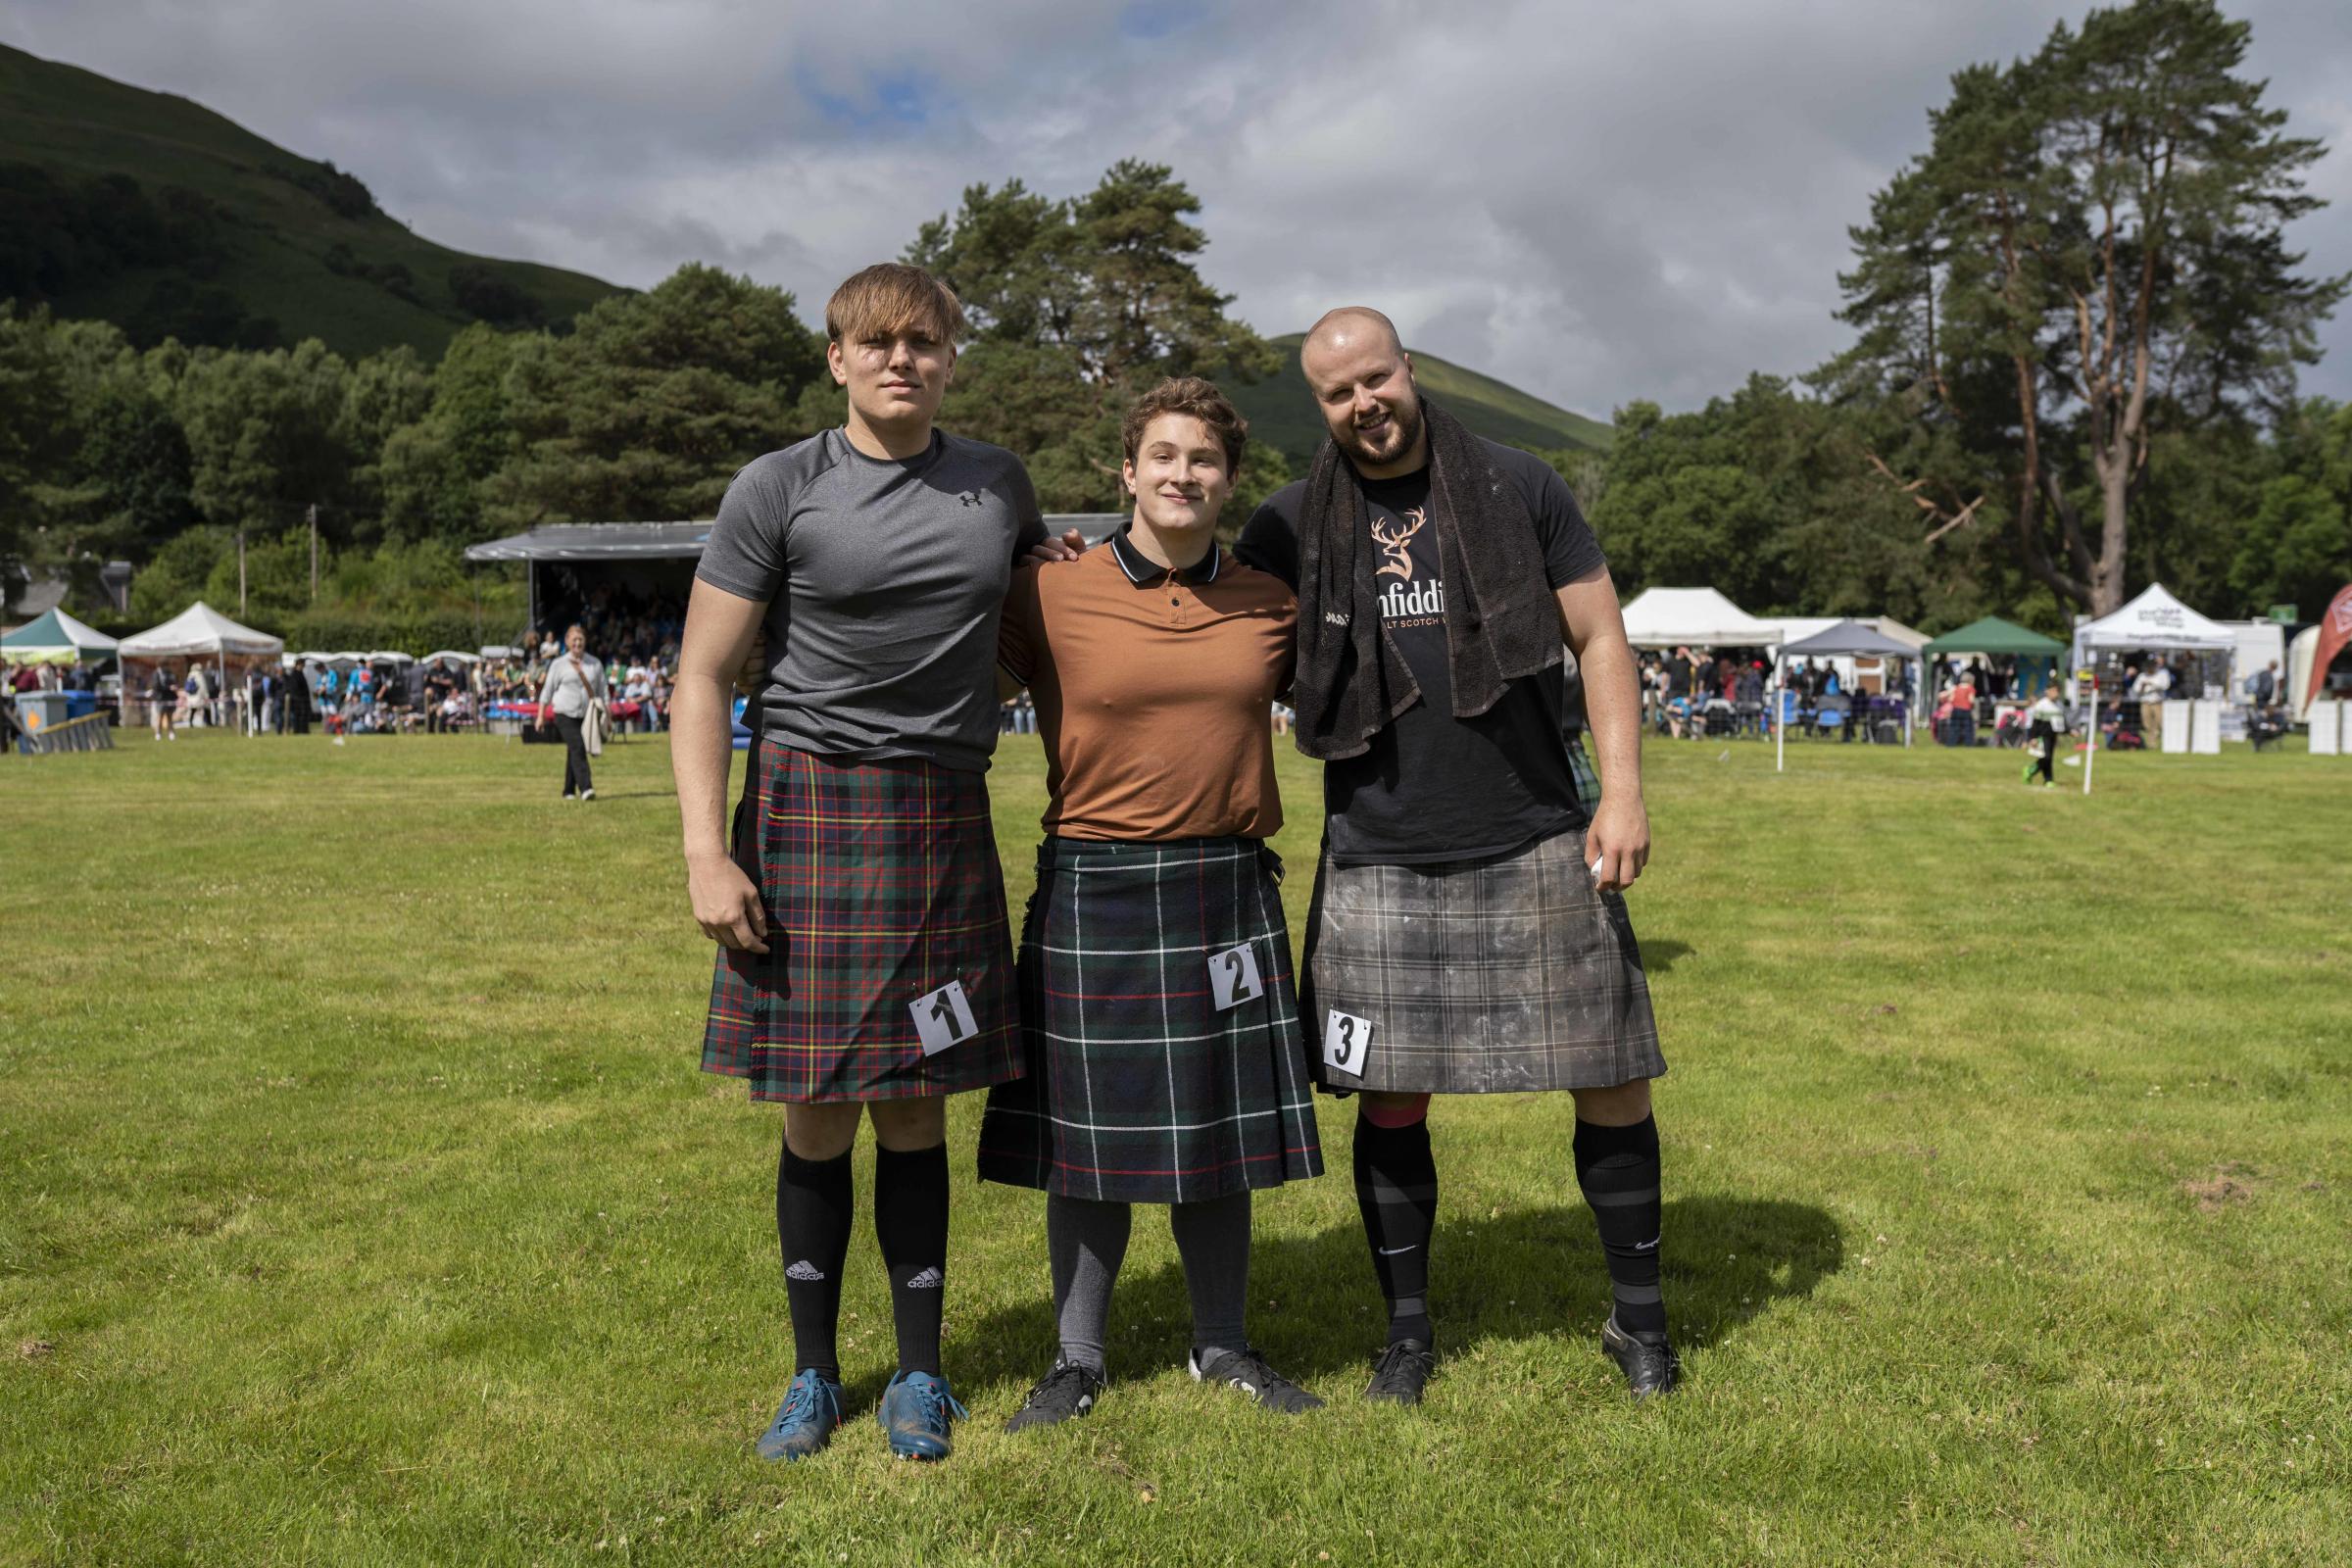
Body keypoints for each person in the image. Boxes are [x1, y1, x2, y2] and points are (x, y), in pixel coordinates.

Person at [1235, 308, 1671, 1405]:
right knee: (1391, 1097)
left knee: (1612, 1076)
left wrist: (1619, 792)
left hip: (1534, 828)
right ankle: (1409, 1336)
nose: (1362, 403)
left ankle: (1642, 1324)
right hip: (1380, 845)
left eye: (1375, 378)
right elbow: (1199, 616)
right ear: (1321, 405)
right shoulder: (1287, 526)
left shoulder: (1519, 484)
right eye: (1337, 393)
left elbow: (1601, 636)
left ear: (1409, 370)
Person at [671, 263, 1058, 1465]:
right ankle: (812, 1372)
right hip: (803, 813)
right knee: (817, 1111)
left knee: (914, 1104)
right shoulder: (778, 486)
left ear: (951, 359)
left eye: (926, 342)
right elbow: (703, 677)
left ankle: (921, 1374)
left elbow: (1026, 633)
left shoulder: (998, 484)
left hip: (939, 813)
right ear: (837, 359)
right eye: (878, 342)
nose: (903, 359)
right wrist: (703, 850)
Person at [982, 378, 1324, 1431]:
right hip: (1095, 885)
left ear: (1228, 480)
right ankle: (1077, 1359)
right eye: (1164, 456)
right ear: (1127, 472)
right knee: (1086, 1141)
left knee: (1216, 1127)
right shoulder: (1047, 593)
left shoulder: (1273, 601)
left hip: (1224, 889)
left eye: (1206, 460)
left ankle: (1221, 1344)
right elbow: (945, 689)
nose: (1185, 475)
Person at [536, 625, 607, 801]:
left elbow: (603, 691)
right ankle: (586, 788)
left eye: (580, 639)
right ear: (567, 641)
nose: (577, 643)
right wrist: (540, 715)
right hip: (564, 712)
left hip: (587, 714)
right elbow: (547, 690)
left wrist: (608, 715)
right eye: (574, 640)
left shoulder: (594, 663)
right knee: (578, 747)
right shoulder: (558, 664)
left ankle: (568, 790)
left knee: (573, 750)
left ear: (585, 641)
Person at [2023, 685, 2065, 786]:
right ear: (2048, 691)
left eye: (2058, 691)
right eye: (2054, 691)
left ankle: (2048, 780)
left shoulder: (2059, 705)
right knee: (2046, 757)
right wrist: (2033, 738)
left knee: (2049, 759)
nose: (2056, 693)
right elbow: (2035, 723)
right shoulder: (2041, 705)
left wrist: (2069, 730)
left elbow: (2062, 721)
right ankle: (2031, 770)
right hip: (2042, 736)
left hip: (2053, 735)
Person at [148, 664, 176, 741]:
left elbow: (174, 682)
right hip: (160, 699)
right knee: (159, 717)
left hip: (169, 698)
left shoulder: (170, 673)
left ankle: (171, 734)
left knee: (169, 717)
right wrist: (169, 687)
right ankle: (158, 734)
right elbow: (156, 686)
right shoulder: (157, 674)